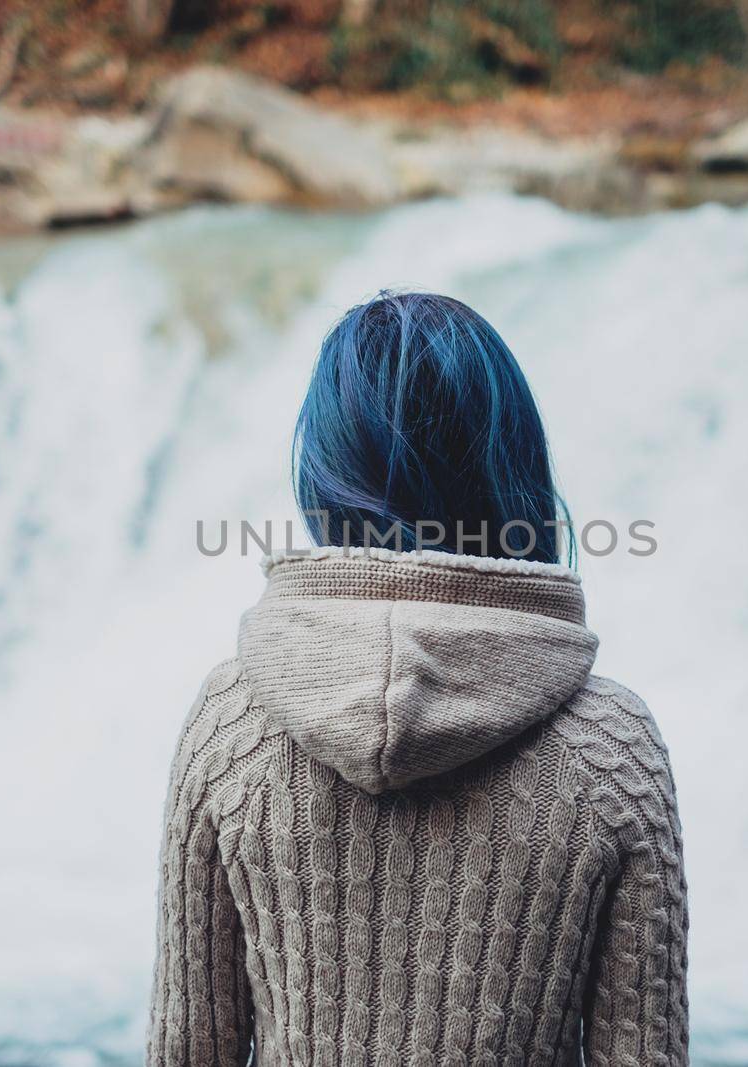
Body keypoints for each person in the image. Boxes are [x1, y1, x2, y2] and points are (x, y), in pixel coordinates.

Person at [146, 291, 688, 1066]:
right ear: (515, 467)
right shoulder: (610, 749)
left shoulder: (232, 724)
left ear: (325, 473)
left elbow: (186, 1053)